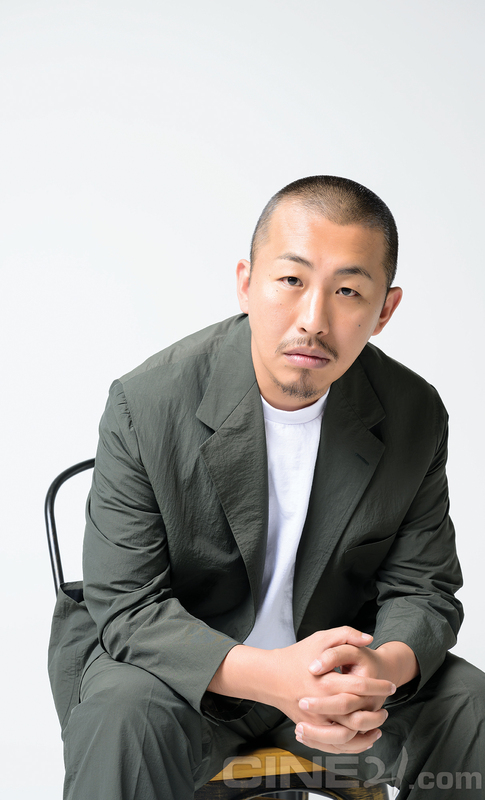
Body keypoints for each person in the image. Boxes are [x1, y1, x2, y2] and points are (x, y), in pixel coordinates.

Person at [52, 176, 485, 799]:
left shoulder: (412, 411)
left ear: (384, 311)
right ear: (246, 283)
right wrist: (275, 677)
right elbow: (127, 606)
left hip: (335, 686)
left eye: (348, 291)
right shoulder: (146, 403)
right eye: (291, 280)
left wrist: (376, 671)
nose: (314, 319)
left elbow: (424, 588)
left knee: (468, 703)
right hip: (185, 683)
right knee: (123, 712)